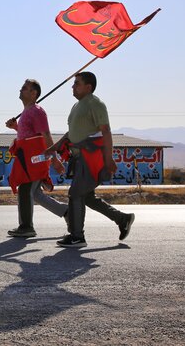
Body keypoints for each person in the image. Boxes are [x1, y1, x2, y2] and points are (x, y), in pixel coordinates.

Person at [46, 71, 135, 248]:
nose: (73, 86)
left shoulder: (96, 104)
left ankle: (77, 236)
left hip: (91, 157)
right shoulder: (76, 107)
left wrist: (109, 159)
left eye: (77, 83)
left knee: (75, 193)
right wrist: (54, 147)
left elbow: (106, 131)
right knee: (87, 197)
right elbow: (72, 133)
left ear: (89, 87)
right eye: (73, 83)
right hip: (78, 158)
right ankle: (122, 219)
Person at [6, 79, 69, 238]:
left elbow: (46, 135)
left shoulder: (37, 111)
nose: (20, 90)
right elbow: (28, 136)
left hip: (35, 160)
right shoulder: (28, 112)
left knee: (26, 190)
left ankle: (26, 226)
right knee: (34, 194)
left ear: (34, 93)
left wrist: (54, 159)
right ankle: (66, 211)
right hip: (27, 159)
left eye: (25, 88)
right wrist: (15, 127)